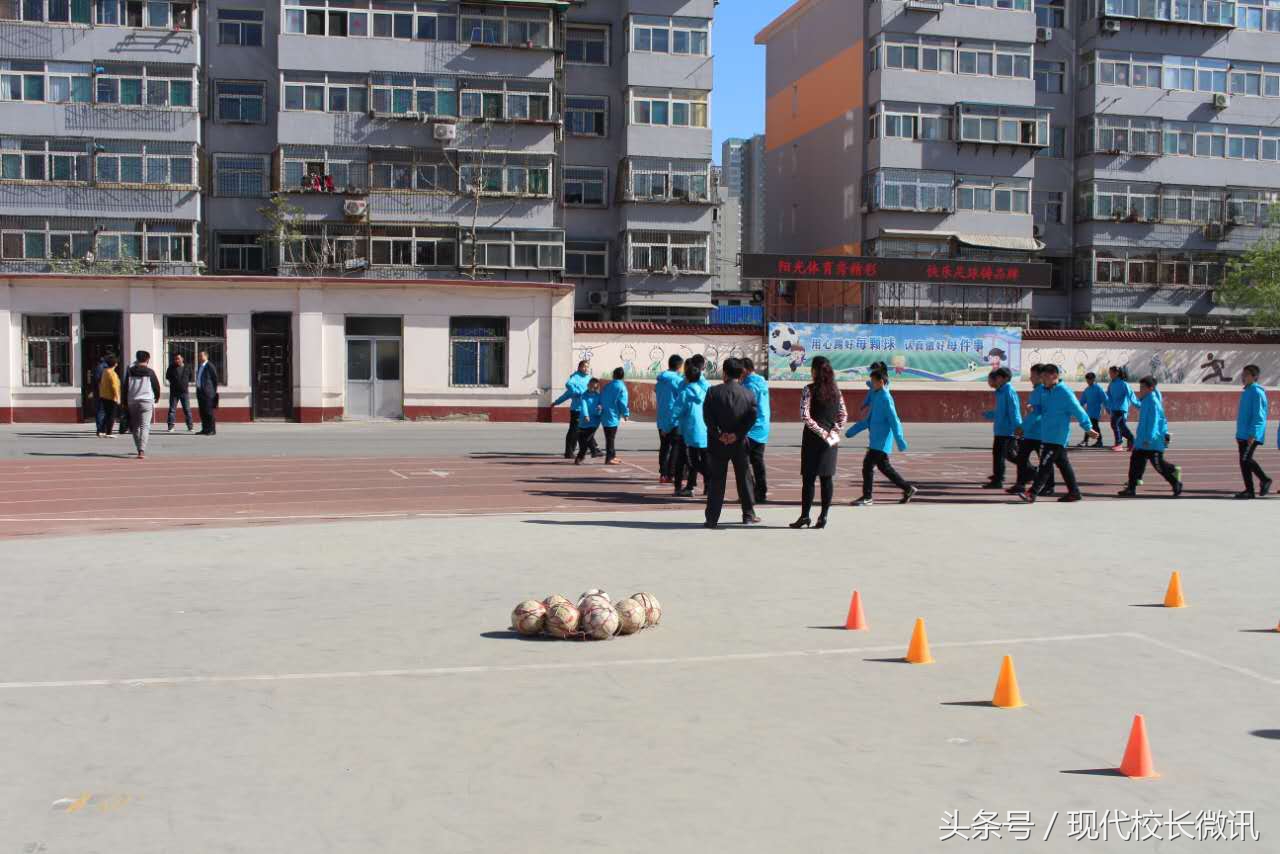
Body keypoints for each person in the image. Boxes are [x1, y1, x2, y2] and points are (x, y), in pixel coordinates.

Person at [1020, 364, 1098, 503]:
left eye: (1045, 377)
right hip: (1047, 435)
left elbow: (1078, 410)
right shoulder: (1045, 392)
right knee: (1063, 465)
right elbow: (1038, 411)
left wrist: (1088, 427)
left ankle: (1032, 493)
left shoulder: (1065, 393)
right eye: (1041, 377)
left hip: (1057, 437)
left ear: (1055, 376)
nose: (1042, 380)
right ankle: (1074, 492)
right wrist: (1024, 425)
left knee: (1044, 465)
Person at [702, 358, 761, 529]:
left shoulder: (713, 392)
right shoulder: (748, 394)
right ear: (741, 374)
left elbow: (707, 417)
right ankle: (748, 515)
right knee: (744, 478)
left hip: (717, 443)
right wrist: (737, 435)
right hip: (739, 443)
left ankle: (712, 519)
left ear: (724, 373)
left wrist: (718, 434)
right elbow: (752, 417)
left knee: (717, 481)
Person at [791, 355, 847, 530]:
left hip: (813, 439)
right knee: (826, 478)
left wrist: (821, 432)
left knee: (808, 479)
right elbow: (843, 415)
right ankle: (823, 517)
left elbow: (804, 415)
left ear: (815, 371)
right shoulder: (837, 391)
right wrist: (834, 431)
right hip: (831, 440)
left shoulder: (809, 389)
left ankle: (805, 516)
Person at [847, 369, 918, 506]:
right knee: (885, 468)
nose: (871, 384)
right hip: (875, 439)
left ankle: (867, 497)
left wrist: (899, 439)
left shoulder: (885, 398)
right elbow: (870, 419)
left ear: (881, 382)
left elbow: (894, 420)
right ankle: (908, 488)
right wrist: (855, 429)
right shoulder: (877, 394)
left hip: (881, 441)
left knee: (867, 466)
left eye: (874, 382)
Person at [1119, 376, 1183, 497]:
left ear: (1150, 388)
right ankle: (1131, 489)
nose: (1141, 390)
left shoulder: (1153, 401)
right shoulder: (1146, 399)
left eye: (1143, 388)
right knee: (1134, 463)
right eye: (1140, 387)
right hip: (1142, 442)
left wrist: (1148, 439)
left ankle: (1176, 483)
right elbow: (1142, 413)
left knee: (1159, 466)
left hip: (1152, 442)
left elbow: (1153, 423)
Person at [1009, 365, 1054, 496]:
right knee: (1021, 458)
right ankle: (1021, 484)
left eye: (1032, 375)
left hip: (1040, 433)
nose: (1030, 378)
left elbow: (1037, 413)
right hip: (1031, 433)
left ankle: (1049, 486)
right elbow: (1033, 411)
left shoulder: (1043, 391)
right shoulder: (1036, 391)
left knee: (1045, 462)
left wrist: (1022, 427)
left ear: (1041, 377)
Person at [672, 358, 709, 498]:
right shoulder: (704, 388)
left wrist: (667, 426)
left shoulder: (684, 389)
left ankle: (697, 483)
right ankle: (706, 486)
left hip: (687, 430)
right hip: (703, 428)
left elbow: (676, 410)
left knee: (689, 460)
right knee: (703, 458)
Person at [1235, 364, 1272, 499]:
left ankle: (1265, 479)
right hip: (1242, 434)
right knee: (1243, 462)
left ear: (1254, 376)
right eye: (1242, 374)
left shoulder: (1257, 392)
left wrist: (1253, 434)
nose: (1243, 377)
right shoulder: (1247, 391)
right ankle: (1249, 490)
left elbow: (1259, 416)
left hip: (1251, 435)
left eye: (1246, 375)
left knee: (1246, 459)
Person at [981, 367, 1021, 488]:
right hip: (1000, 429)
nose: (996, 380)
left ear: (1005, 378)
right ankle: (1029, 471)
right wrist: (989, 414)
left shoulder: (1009, 391)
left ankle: (998, 479)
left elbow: (1014, 411)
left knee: (1002, 455)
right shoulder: (1000, 391)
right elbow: (1001, 411)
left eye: (997, 378)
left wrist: (1018, 427)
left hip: (1007, 430)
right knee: (1005, 454)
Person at [552, 361, 598, 459]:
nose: (586, 368)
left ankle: (594, 449)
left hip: (587, 410)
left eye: (588, 367)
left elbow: (593, 391)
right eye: (584, 366)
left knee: (587, 430)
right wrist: (557, 402)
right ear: (580, 367)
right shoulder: (575, 377)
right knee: (574, 431)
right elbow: (568, 386)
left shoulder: (589, 378)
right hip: (577, 410)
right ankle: (569, 452)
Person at [742, 357, 771, 504]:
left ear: (745, 370)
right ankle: (761, 492)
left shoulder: (749, 386)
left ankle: (750, 492)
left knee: (744, 463)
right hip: (762, 427)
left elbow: (747, 409)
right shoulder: (762, 382)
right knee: (758, 462)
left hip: (751, 428)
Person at [124, 350, 161, 460]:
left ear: (137, 358)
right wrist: (157, 397)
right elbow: (156, 386)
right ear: (147, 359)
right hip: (146, 401)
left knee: (135, 427)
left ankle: (139, 448)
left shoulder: (130, 371)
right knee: (145, 426)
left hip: (132, 401)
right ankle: (142, 450)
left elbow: (125, 387)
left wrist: (124, 402)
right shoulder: (150, 372)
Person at [655, 354, 685, 482]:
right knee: (676, 446)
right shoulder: (678, 381)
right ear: (679, 366)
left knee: (664, 446)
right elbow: (683, 397)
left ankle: (663, 473)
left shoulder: (661, 380)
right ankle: (671, 473)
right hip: (674, 418)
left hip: (662, 417)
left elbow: (656, 391)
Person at [598, 367, 630, 465]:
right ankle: (609, 458)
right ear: (623, 376)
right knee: (610, 438)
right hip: (613, 415)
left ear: (613, 375)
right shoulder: (622, 387)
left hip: (605, 414)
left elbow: (601, 397)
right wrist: (625, 413)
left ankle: (613, 455)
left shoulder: (608, 385)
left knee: (610, 437)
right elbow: (622, 402)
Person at [573, 378, 603, 465]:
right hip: (584, 421)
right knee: (582, 439)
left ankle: (580, 457)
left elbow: (601, 406)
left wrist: (599, 409)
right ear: (588, 385)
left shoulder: (599, 396)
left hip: (594, 422)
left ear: (597, 387)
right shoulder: (584, 395)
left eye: (594, 387)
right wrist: (586, 415)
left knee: (587, 439)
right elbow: (584, 405)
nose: (592, 388)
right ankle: (594, 451)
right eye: (591, 386)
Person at [1106, 366, 1136, 451]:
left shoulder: (1124, 384)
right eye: (1109, 373)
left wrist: (1139, 405)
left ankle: (1119, 444)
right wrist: (1108, 407)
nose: (1110, 375)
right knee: (1122, 427)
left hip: (1121, 408)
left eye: (1111, 373)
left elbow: (1131, 395)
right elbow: (1109, 396)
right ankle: (1132, 440)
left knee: (1114, 424)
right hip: (1114, 408)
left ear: (1117, 373)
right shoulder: (1111, 384)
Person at [165, 352, 193, 433]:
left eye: (178, 358)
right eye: (175, 359)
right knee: (172, 409)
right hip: (174, 392)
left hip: (184, 392)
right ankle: (170, 427)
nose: (177, 360)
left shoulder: (187, 367)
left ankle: (190, 427)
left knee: (187, 409)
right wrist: (174, 382)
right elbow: (167, 376)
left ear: (182, 359)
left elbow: (190, 377)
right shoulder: (171, 367)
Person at [1077, 372, 1106, 448]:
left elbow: (1105, 398)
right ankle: (1090, 441)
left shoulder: (1098, 388)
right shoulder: (1087, 390)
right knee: (1090, 426)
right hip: (1089, 412)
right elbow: (1082, 400)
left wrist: (1107, 408)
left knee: (1094, 426)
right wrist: (1077, 407)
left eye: (1089, 380)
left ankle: (1097, 441)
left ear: (1093, 379)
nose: (1088, 381)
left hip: (1096, 411)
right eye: (1087, 380)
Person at [97, 354, 121, 438]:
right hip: (111, 397)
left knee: (106, 414)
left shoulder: (105, 371)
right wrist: (117, 398)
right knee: (111, 415)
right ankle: (109, 432)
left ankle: (102, 431)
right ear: (115, 364)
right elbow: (114, 386)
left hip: (104, 395)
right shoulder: (112, 374)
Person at [196, 350, 219, 436]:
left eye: (201, 356)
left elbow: (215, 379)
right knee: (202, 412)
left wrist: (212, 391)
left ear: (206, 356)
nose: (199, 357)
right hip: (200, 391)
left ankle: (212, 430)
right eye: (199, 356)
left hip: (208, 393)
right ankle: (205, 429)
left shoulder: (210, 366)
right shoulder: (200, 366)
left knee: (209, 412)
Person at [92, 351, 114, 437]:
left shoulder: (105, 367)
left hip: (105, 392)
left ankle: (102, 429)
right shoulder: (102, 367)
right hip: (101, 393)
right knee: (101, 411)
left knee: (104, 411)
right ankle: (100, 430)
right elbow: (98, 380)